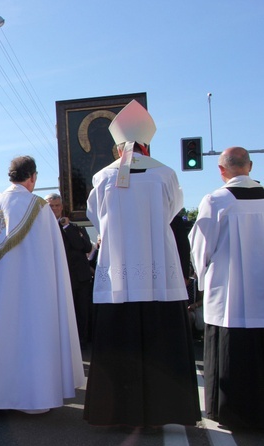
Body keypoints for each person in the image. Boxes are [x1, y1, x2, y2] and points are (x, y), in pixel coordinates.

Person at [83, 100, 200, 429]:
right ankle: (165, 411)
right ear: (146, 144)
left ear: (118, 148)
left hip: (119, 276)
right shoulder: (165, 173)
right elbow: (173, 210)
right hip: (157, 272)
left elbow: (96, 218)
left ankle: (118, 413)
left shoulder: (103, 177)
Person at [0, 157, 86, 413]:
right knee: (30, 337)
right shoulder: (39, 207)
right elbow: (52, 256)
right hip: (31, 292)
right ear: (32, 176)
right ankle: (33, 397)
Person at [189, 146, 264, 429]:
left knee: (233, 353)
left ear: (222, 170)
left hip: (230, 293)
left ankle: (232, 414)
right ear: (250, 166)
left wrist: (203, 275)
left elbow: (201, 247)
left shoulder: (217, 200)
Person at [44, 193, 94, 346]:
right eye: (50, 206)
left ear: (62, 207)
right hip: (58, 278)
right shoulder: (42, 229)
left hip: (80, 277)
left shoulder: (72, 226)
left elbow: (84, 246)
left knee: (83, 311)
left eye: (57, 205)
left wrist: (66, 227)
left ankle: (84, 341)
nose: (54, 209)